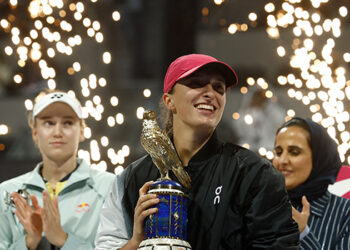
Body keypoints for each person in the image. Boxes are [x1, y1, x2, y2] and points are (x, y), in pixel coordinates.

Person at [95, 53, 300, 249]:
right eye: (196, 83)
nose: (210, 93)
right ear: (169, 101)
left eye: (219, 88)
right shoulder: (132, 179)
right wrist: (137, 242)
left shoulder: (253, 174)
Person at [0, 90, 115, 250]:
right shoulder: (7, 192)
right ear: (35, 133)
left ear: (82, 131)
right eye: (48, 123)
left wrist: (63, 239)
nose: (57, 132)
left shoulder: (109, 186)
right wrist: (29, 241)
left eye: (67, 123)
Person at [273, 117, 350, 249]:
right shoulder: (259, 204)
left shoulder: (344, 212)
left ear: (319, 158)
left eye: (294, 152)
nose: (283, 161)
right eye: (278, 152)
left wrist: (303, 234)